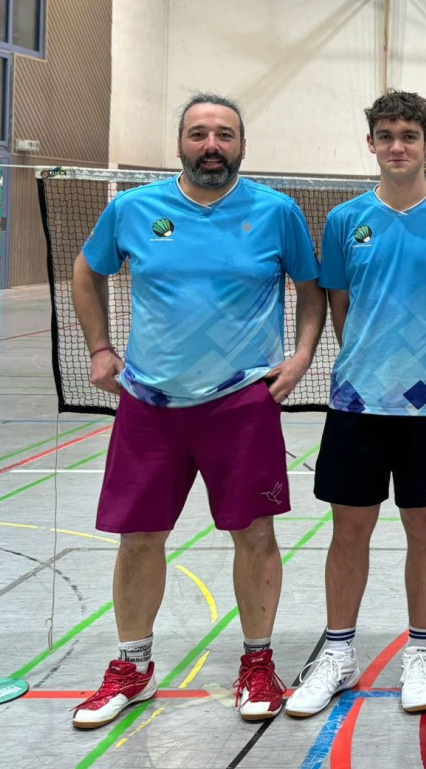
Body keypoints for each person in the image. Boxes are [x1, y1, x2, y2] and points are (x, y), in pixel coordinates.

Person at [69, 94, 324, 729]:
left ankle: (258, 662)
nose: (212, 144)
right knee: (140, 537)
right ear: (179, 142)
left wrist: (298, 360)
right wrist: (100, 349)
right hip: (151, 403)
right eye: (198, 133)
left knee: (256, 536)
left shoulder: (276, 212)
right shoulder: (134, 208)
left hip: (241, 402)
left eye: (225, 135)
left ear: (242, 144)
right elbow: (85, 271)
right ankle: (133, 666)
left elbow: (311, 289)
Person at [286, 91, 426, 719]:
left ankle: (419, 654)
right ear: (370, 143)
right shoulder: (346, 220)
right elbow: (339, 303)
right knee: (350, 530)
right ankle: (338, 654)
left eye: (409, 134)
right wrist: (368, 364)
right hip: (355, 402)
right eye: (386, 135)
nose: (398, 145)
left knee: (424, 529)